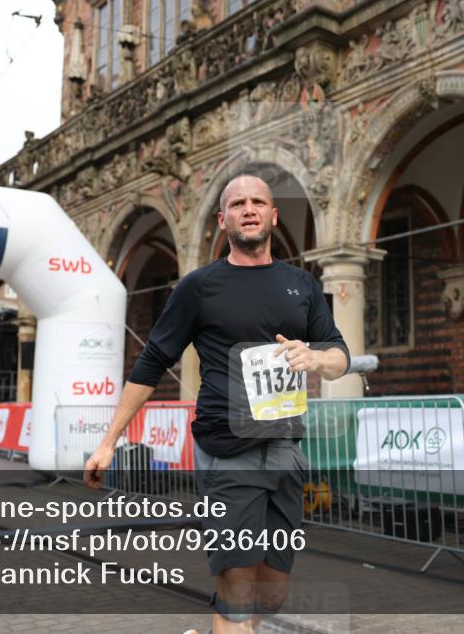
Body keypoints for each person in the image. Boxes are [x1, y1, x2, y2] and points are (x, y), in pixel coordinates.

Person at [83, 174, 350, 633]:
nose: (249, 209)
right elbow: (151, 364)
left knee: (272, 591)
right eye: (238, 203)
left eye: (258, 202)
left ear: (273, 215)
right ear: (222, 219)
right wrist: (109, 441)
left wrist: (317, 358)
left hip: (286, 451)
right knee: (237, 588)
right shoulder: (198, 288)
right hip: (226, 453)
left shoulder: (301, 285)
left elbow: (339, 354)